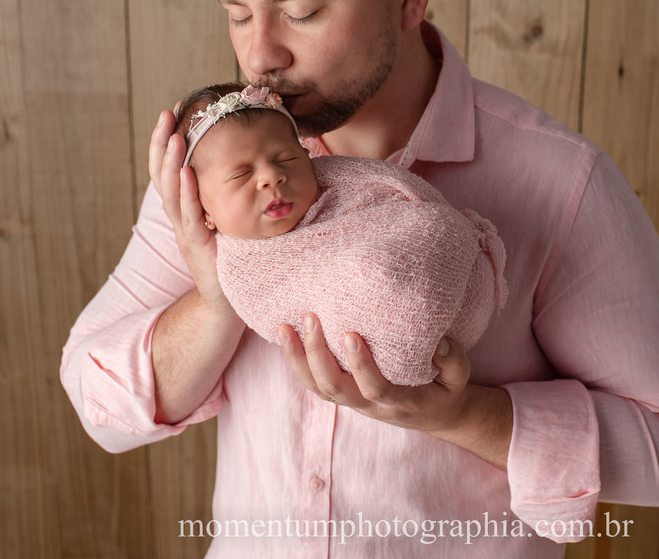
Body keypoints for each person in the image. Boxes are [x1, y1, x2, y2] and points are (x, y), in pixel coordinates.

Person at [61, 0, 659, 557]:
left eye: (300, 11)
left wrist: (460, 414)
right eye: (237, 13)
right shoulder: (223, 170)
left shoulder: (561, 182)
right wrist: (220, 297)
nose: (259, 56)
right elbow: (98, 400)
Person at [172, 80, 507, 386]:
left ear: (307, 158)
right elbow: (280, 308)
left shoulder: (334, 183)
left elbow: (394, 187)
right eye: (241, 174)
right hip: (383, 319)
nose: (271, 177)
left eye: (286, 158)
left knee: (426, 232)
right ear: (204, 210)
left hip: (432, 256)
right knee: (371, 272)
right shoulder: (242, 269)